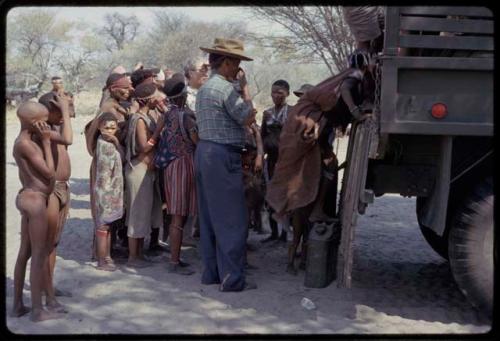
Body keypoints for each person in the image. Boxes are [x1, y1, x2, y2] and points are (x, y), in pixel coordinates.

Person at [195, 38, 258, 292]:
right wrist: (245, 90)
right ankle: (232, 279)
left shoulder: (205, 88)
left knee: (210, 216)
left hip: (205, 153)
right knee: (232, 218)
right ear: (227, 62)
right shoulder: (225, 89)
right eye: (237, 64)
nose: (238, 69)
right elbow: (246, 116)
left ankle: (212, 272)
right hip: (222, 155)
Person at [11, 102, 62, 322]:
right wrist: (46, 141)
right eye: (43, 121)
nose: (46, 125)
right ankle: (37, 311)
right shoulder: (27, 145)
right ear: (34, 123)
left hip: (28, 197)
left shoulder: (23, 140)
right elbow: (50, 173)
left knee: (25, 252)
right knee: (39, 255)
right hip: (35, 200)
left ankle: (17, 306)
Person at [154, 76, 198, 275]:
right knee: (179, 216)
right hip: (184, 165)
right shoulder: (186, 118)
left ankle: (175, 258)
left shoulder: (165, 115)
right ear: (183, 96)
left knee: (175, 214)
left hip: (170, 165)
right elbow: (198, 141)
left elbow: (155, 138)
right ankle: (173, 261)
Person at [124, 82, 166, 268]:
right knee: (137, 214)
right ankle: (133, 257)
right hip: (138, 171)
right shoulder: (139, 120)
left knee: (143, 214)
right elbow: (144, 146)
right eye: (155, 96)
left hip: (146, 171)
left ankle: (139, 254)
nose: (158, 99)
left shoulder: (146, 116)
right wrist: (158, 131)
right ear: (146, 99)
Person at [38, 91, 74, 297]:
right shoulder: (40, 129)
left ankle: (47, 284)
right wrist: (64, 113)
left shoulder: (55, 126)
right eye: (58, 110)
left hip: (62, 187)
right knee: (46, 242)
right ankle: (44, 285)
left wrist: (64, 108)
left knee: (53, 242)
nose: (63, 114)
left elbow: (66, 140)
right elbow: (68, 138)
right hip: (50, 190)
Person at [260, 79, 292, 244]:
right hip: (271, 161)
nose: (276, 96)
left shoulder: (292, 112)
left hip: (287, 162)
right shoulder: (267, 114)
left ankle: (285, 234)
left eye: (279, 92)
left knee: (285, 197)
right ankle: (273, 233)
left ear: (287, 93)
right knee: (270, 195)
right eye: (273, 92)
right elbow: (263, 136)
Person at [92, 112, 125, 271]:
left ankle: (107, 256)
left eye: (113, 128)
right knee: (103, 226)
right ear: (99, 127)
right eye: (106, 128)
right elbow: (104, 173)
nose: (109, 131)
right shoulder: (104, 145)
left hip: (112, 190)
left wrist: (117, 142)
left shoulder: (110, 142)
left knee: (108, 225)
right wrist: (106, 195)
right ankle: (102, 259)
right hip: (106, 192)